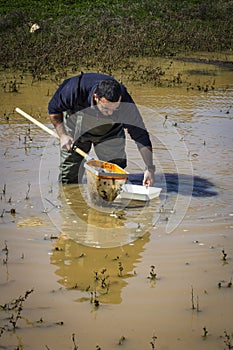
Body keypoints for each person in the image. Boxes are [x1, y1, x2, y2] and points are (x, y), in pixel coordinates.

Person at [48, 72, 155, 185]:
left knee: (115, 176)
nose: (110, 113)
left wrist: (149, 168)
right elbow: (53, 110)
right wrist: (62, 135)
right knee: (68, 176)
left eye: (115, 109)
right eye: (106, 109)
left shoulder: (125, 102)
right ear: (96, 97)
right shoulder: (75, 88)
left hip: (110, 132)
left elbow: (140, 135)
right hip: (75, 128)